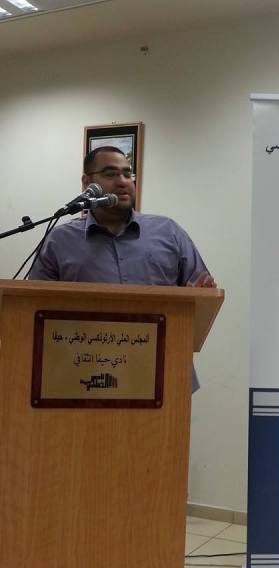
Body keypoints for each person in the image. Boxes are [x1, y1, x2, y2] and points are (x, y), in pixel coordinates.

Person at [29, 145, 216, 390]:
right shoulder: (60, 241)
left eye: (127, 174)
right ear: (87, 182)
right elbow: (33, 310)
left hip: (162, 375)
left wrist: (199, 296)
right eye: (110, 174)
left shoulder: (168, 232)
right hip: (82, 379)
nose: (122, 181)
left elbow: (201, 294)